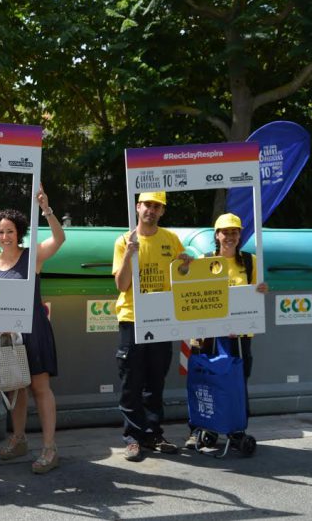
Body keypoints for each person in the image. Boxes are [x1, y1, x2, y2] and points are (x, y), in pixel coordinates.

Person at [0, 186, 65, 474]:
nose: (5, 236)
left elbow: (60, 238)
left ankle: (49, 448)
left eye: (10, 231)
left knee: (39, 388)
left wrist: (46, 209)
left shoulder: (32, 256)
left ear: (19, 232)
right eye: (0, 231)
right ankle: (18, 439)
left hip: (34, 329)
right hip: (7, 335)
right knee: (16, 388)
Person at [112, 191, 192, 462]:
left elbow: (182, 275)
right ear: (138, 207)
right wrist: (128, 256)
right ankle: (133, 437)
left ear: (162, 211)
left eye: (157, 206)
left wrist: (187, 266)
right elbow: (121, 285)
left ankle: (153, 433)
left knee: (155, 380)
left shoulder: (171, 239)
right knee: (131, 381)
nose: (152, 210)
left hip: (162, 319)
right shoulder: (124, 240)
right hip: (132, 318)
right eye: (148, 204)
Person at [184, 212, 268, 448]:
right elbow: (193, 295)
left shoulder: (250, 261)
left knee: (236, 383)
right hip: (209, 336)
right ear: (217, 235)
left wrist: (262, 289)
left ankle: (236, 430)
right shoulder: (205, 259)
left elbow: (257, 295)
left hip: (239, 337)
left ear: (240, 234)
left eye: (235, 232)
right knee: (206, 383)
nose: (230, 236)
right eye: (225, 232)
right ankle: (200, 429)